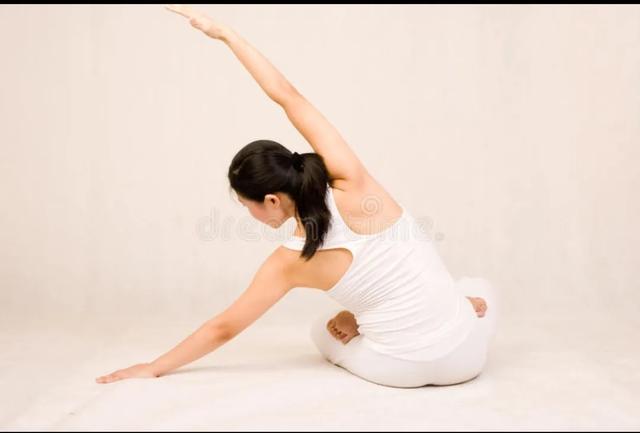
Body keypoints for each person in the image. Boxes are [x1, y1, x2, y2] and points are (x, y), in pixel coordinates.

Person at [96, 5, 499, 388]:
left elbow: (224, 327)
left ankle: (379, 317)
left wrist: (153, 368)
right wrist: (227, 35)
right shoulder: (353, 180)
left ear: (272, 200)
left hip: (397, 370)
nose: (249, 215)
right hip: (467, 359)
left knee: (321, 331)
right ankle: (454, 304)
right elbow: (288, 96)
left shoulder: (287, 264)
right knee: (477, 286)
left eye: (247, 206)